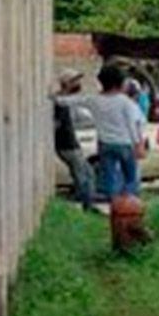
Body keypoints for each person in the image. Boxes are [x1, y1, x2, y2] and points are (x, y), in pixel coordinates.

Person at [87, 64, 147, 201]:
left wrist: (57, 96)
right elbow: (134, 125)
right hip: (125, 144)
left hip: (105, 144)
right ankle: (129, 203)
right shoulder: (126, 103)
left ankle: (114, 203)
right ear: (120, 83)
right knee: (131, 178)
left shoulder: (95, 100)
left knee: (110, 177)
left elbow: (70, 101)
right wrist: (138, 144)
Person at [52, 69, 94, 211]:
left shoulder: (64, 100)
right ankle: (86, 206)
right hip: (67, 145)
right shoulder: (60, 102)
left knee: (85, 173)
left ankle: (86, 204)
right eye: (74, 81)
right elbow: (57, 124)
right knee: (83, 176)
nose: (78, 84)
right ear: (66, 84)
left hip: (69, 144)